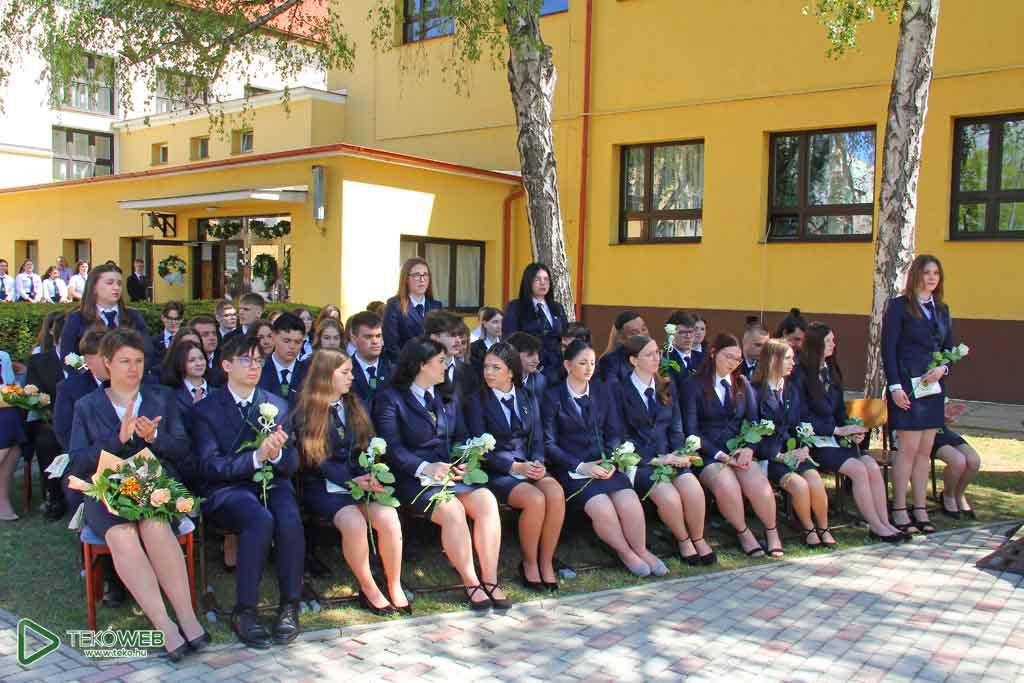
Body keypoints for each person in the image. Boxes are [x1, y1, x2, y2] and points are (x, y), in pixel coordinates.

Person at [67, 329, 206, 661]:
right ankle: (165, 627)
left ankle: (187, 619)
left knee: (155, 525)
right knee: (123, 535)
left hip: (152, 484)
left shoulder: (161, 398)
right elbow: (78, 462)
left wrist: (155, 437)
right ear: (107, 363)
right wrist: (116, 439)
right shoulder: (87, 406)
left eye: (139, 361)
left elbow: (183, 450)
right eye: (124, 361)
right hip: (105, 490)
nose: (133, 368)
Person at [374, 337, 510, 610]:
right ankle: (471, 582)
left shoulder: (447, 395)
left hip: (448, 474)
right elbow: (393, 449)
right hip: (412, 478)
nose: (446, 366)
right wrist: (425, 468)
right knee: (452, 510)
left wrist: (463, 462)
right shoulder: (391, 398)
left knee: (486, 500)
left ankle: (490, 579)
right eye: (440, 361)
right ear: (421, 365)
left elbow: (460, 437)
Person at [192, 335, 303, 648]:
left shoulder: (277, 405)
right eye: (246, 360)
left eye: (258, 360)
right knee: (258, 518)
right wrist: (256, 457)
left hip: (272, 481)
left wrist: (276, 454)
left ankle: (290, 604)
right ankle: (245, 610)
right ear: (226, 365)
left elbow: (291, 463)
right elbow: (209, 465)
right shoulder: (206, 410)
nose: (254, 366)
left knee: (289, 517)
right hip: (227, 488)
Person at [293, 349, 411, 615]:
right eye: (345, 372)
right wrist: (351, 481)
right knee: (354, 523)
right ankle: (369, 588)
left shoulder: (355, 404)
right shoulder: (305, 410)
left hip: (360, 481)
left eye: (351, 371)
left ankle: (394, 584)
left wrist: (370, 473)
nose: (351, 377)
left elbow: (366, 444)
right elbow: (317, 460)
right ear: (326, 375)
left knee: (389, 517)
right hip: (324, 486)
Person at [543, 340, 667, 576]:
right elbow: (549, 444)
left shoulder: (602, 391)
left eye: (592, 363)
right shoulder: (552, 396)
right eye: (582, 363)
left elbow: (614, 432)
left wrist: (611, 459)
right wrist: (581, 466)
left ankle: (642, 550)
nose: (589, 368)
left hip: (604, 464)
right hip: (573, 468)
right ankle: (626, 553)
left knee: (629, 501)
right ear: (568, 365)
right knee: (603, 508)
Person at [465, 342, 565, 590]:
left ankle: (546, 562)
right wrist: (513, 467)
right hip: (497, 470)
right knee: (535, 499)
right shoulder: (476, 401)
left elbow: (537, 437)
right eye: (486, 367)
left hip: (528, 464)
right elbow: (479, 449)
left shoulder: (527, 396)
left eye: (495, 368)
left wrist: (538, 462)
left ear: (511, 372)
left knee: (555, 493)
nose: (488, 373)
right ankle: (529, 564)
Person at [798, 323, 905, 542]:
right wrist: (838, 430)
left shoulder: (831, 370)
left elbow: (839, 410)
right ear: (816, 344)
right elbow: (801, 418)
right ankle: (875, 525)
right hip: (813, 442)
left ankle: (884, 522)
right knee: (858, 469)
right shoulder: (800, 375)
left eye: (833, 340)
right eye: (828, 341)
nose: (833, 344)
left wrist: (851, 430)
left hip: (836, 440)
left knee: (871, 465)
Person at [615, 335, 715, 565]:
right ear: (633, 360)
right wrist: (655, 460)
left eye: (657, 353)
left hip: (671, 456)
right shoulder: (619, 391)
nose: (656, 358)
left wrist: (679, 453)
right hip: (642, 463)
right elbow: (621, 435)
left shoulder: (667, 386)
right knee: (669, 498)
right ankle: (683, 540)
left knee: (693, 490)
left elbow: (676, 427)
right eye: (649, 354)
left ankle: (698, 538)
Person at [682, 333, 779, 558]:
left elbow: (754, 422)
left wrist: (749, 448)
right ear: (713, 353)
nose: (733, 363)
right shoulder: (693, 385)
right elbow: (692, 431)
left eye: (737, 359)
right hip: (708, 453)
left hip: (738, 450)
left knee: (757, 481)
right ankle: (743, 532)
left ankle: (772, 531)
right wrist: (720, 455)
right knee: (727, 484)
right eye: (728, 357)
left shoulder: (742, 383)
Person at [882, 254, 953, 536]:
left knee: (925, 451)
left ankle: (920, 508)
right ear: (916, 275)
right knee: (908, 450)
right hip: (907, 387)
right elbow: (888, 349)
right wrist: (895, 387)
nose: (932, 277)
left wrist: (943, 369)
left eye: (936, 272)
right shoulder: (899, 306)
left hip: (932, 389)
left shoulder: (942, 310)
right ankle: (899, 508)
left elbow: (948, 349)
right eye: (927, 272)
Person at [752, 339, 834, 549]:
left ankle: (824, 527)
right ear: (773, 360)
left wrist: (804, 446)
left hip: (793, 451)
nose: (793, 363)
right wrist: (779, 456)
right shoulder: (755, 392)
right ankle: (808, 528)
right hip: (770, 457)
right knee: (799, 485)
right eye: (788, 358)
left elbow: (800, 422)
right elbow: (752, 434)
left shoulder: (791, 390)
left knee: (815, 480)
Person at [59, 263, 151, 369]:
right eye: (110, 283)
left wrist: (129, 371)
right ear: (94, 287)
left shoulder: (134, 316)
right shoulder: (76, 318)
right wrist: (90, 371)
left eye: (119, 283)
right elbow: (68, 356)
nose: (116, 287)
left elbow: (147, 351)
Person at [26, 312, 67, 520]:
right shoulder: (39, 361)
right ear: (56, 336)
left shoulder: (88, 361)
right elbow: (35, 394)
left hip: (83, 419)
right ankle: (54, 496)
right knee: (46, 439)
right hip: (51, 419)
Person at [502, 263, 568, 386]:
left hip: (556, 369)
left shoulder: (557, 308)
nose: (543, 283)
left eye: (546, 279)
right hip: (530, 368)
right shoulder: (516, 307)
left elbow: (565, 334)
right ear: (528, 282)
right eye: (537, 279)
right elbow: (509, 339)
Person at [383, 258, 443, 361]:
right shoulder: (394, 305)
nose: (422, 279)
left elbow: (440, 341)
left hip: (432, 365)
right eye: (416, 275)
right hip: (405, 365)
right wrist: (410, 366)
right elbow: (391, 345)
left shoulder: (436, 306)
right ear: (406, 278)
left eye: (425, 275)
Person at [932, 402, 980, 519]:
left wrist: (947, 415)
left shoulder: (939, 391)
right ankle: (948, 495)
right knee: (958, 461)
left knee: (974, 460)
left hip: (942, 431)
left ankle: (959, 494)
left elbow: (943, 415)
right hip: (923, 432)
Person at [423, 310, 479, 403]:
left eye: (459, 335)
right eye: (452, 335)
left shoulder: (468, 372)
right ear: (434, 337)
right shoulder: (421, 371)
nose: (458, 341)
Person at [258, 313, 309, 408]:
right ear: (273, 337)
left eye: (297, 342)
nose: (292, 346)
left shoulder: (309, 372)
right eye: (286, 341)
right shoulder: (258, 369)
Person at [0, 348, 26, 521]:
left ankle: (2, 501)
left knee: (10, 416)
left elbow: (9, 389)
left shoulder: (2, 357)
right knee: (10, 422)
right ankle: (2, 502)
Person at [348, 311, 391, 409]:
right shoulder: (344, 371)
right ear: (354, 339)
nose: (375, 341)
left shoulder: (393, 370)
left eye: (378, 336)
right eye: (368, 337)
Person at [597, 311, 649, 385]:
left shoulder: (654, 356)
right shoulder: (610, 361)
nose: (642, 335)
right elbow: (613, 389)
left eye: (643, 329)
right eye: (634, 333)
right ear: (621, 338)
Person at [663, 311, 704, 385]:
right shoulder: (664, 360)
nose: (688, 336)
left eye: (690, 332)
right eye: (682, 332)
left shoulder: (703, 358)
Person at [506, 331, 547, 398]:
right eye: (530, 355)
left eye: (537, 354)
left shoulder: (540, 381)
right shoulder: (499, 381)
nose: (537, 361)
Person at [189, 315, 224, 387]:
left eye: (214, 333)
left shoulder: (227, 358)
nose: (212, 338)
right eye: (205, 334)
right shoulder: (185, 362)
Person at [469, 307, 502, 378]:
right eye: (495, 322)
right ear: (485, 324)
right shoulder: (474, 348)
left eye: (502, 322)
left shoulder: (507, 345)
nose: (499, 326)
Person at [152, 301, 185, 367]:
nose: (173, 322)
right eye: (170, 318)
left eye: (177, 319)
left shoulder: (186, 340)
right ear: (162, 318)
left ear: (182, 319)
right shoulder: (153, 342)